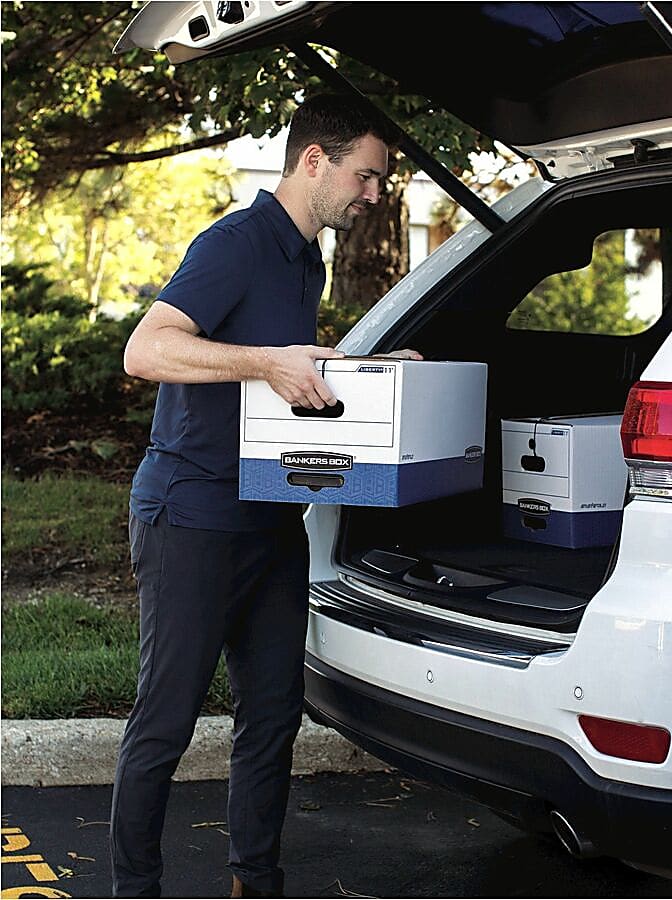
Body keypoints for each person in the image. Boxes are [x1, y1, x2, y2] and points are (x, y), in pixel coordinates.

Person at [110, 93, 421, 899]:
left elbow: (284, 362)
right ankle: (134, 889)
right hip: (192, 513)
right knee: (166, 722)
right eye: (367, 175)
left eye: (380, 181)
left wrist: (369, 370)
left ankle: (257, 880)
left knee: (275, 713)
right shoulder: (237, 242)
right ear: (313, 161)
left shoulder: (305, 255)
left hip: (268, 513)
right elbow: (146, 350)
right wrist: (263, 363)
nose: (375, 193)